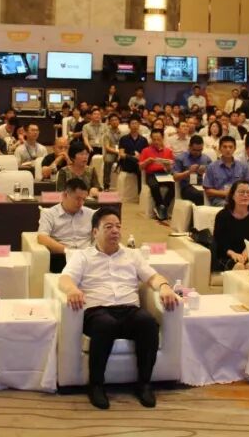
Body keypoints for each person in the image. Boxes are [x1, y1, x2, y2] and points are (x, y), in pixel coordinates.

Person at [59, 208, 179, 410]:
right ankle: (96, 385)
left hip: (128, 309)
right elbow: (65, 278)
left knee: (148, 323)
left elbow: (152, 277)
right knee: (105, 325)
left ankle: (144, 384)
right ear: (95, 232)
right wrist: (72, 289)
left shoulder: (132, 255)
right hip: (97, 311)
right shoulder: (83, 256)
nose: (115, 230)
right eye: (108, 227)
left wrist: (165, 287)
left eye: (118, 226)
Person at [37, 178, 95, 273]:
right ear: (65, 195)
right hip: (63, 257)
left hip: (87, 257)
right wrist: (68, 251)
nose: (81, 203)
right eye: (77, 198)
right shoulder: (49, 213)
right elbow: (42, 237)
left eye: (83, 199)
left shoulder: (91, 214)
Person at [212, 181, 249, 271]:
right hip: (227, 256)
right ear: (233, 196)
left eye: (248, 192)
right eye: (241, 192)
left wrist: (248, 250)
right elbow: (219, 242)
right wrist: (233, 254)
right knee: (239, 266)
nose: (245, 195)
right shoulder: (222, 216)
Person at [203, 136, 249, 208]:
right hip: (220, 200)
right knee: (230, 206)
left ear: (235, 149)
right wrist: (225, 193)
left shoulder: (243, 167)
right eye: (225, 147)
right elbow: (208, 190)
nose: (228, 150)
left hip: (240, 199)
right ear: (220, 149)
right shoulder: (212, 167)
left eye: (230, 147)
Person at [172, 135, 212, 206]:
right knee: (201, 195)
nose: (197, 152)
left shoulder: (206, 159)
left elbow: (213, 176)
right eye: (194, 150)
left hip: (203, 186)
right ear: (189, 147)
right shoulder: (181, 158)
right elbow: (175, 177)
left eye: (200, 150)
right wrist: (189, 172)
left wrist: (205, 173)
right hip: (187, 187)